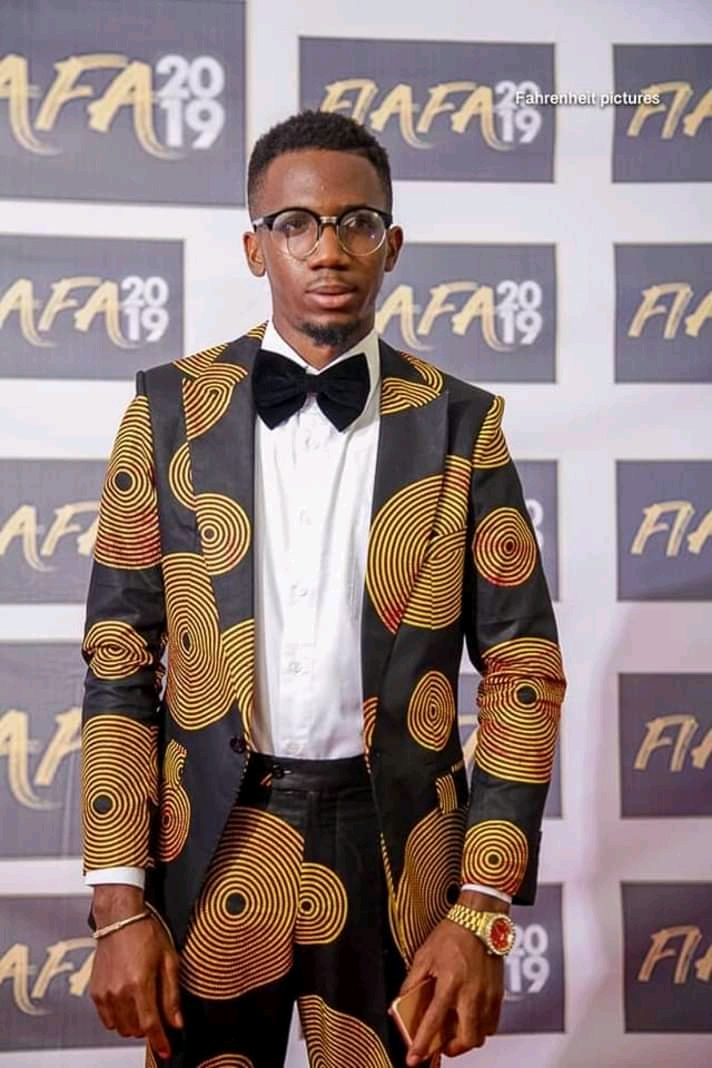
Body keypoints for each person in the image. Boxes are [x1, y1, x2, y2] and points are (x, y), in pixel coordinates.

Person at [80, 109, 566, 1068]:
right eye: (296, 224)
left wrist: (482, 910)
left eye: (356, 222)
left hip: (397, 845)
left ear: (393, 244)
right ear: (255, 247)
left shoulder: (462, 425)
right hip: (212, 834)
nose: (328, 248)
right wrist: (116, 900)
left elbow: (522, 672)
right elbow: (119, 660)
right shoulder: (169, 411)